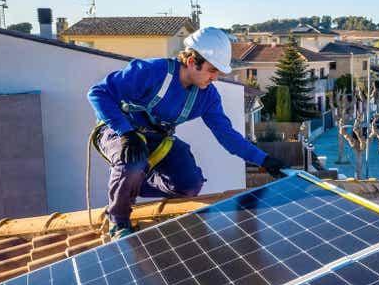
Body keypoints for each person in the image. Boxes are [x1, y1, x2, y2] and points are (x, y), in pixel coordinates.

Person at [88, 27, 286, 240]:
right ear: (192, 61)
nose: (215, 78)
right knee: (133, 161)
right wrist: (125, 132)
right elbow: (98, 93)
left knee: (189, 184)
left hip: (157, 139)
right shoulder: (152, 71)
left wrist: (263, 159)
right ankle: (118, 220)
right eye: (212, 70)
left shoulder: (207, 97)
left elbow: (227, 135)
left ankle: (130, 183)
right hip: (118, 131)